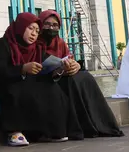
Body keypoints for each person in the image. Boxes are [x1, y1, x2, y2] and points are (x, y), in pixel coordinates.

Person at [0, 12, 83, 147]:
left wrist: (61, 67)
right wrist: (22, 69)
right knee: (17, 88)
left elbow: (47, 64)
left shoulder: (36, 48)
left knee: (51, 88)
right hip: (6, 83)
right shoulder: (2, 45)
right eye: (30, 28)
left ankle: (49, 131)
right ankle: (14, 132)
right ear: (21, 27)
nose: (34, 34)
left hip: (27, 82)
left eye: (37, 31)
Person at [38, 10, 123, 138]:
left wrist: (75, 65)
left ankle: (100, 124)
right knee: (72, 81)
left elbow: (68, 57)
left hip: (63, 76)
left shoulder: (59, 42)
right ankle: (83, 127)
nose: (51, 28)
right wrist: (59, 70)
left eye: (55, 25)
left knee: (85, 77)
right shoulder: (35, 44)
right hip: (45, 81)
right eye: (47, 24)